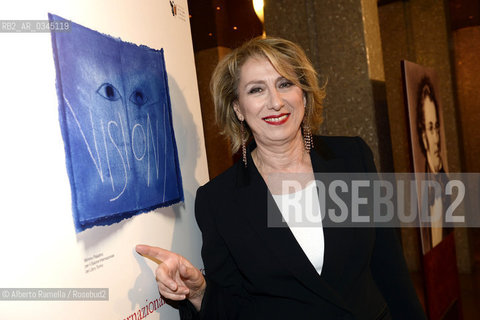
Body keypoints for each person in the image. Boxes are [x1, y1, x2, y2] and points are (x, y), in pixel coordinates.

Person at [136, 37, 426, 319]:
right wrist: (199, 293)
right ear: (238, 108)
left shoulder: (352, 158)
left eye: (285, 84)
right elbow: (232, 305)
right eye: (256, 90)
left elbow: (389, 267)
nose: (275, 102)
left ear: (304, 94)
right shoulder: (218, 200)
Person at [416, 76, 448, 249]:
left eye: (437, 127)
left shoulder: (446, 185)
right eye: (430, 128)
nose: (436, 138)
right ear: (423, 136)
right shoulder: (420, 191)